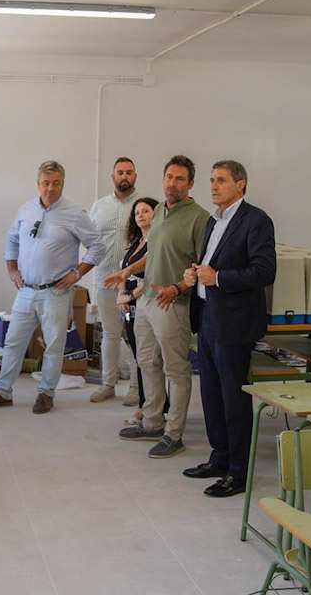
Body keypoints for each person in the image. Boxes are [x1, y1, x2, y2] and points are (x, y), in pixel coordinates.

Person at [0, 160, 104, 414]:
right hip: (26, 290)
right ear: (38, 184)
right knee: (13, 343)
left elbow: (98, 245)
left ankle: (46, 393)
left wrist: (77, 273)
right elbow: (12, 239)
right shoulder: (26, 209)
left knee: (54, 346)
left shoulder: (74, 213)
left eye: (56, 183)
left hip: (55, 292)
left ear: (63, 184)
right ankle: (3, 391)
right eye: (46, 183)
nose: (50, 188)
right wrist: (12, 269)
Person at [183, 159, 276, 497]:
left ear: (241, 185)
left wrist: (218, 278)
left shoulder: (256, 221)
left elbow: (264, 272)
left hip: (235, 323)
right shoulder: (213, 221)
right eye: (211, 180)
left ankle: (239, 471)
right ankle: (219, 458)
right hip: (209, 317)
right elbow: (211, 265)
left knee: (233, 397)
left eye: (221, 180)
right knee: (209, 393)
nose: (214, 186)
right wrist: (195, 275)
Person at [106, 155, 209, 459]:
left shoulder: (200, 218)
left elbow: (203, 265)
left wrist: (179, 287)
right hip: (148, 300)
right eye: (168, 177)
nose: (172, 183)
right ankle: (152, 421)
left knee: (175, 370)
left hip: (173, 303)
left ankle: (174, 433)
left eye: (179, 179)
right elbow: (153, 253)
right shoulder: (161, 210)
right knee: (146, 362)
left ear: (190, 183)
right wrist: (127, 271)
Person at [88, 157, 142, 404]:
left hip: (134, 285)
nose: (124, 176)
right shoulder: (99, 206)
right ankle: (108, 384)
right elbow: (90, 241)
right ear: (112, 177)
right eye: (120, 172)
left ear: (135, 176)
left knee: (134, 335)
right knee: (110, 333)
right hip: (106, 282)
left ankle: (135, 388)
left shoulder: (144, 206)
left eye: (129, 172)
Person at [114, 197, 168, 425]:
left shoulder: (157, 242)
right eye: (137, 213)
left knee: (149, 359)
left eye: (145, 211)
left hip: (147, 303)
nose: (140, 215)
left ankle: (151, 408)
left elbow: (153, 275)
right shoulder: (135, 243)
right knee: (138, 355)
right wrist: (120, 295)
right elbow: (122, 271)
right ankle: (146, 404)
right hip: (128, 306)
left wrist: (131, 295)